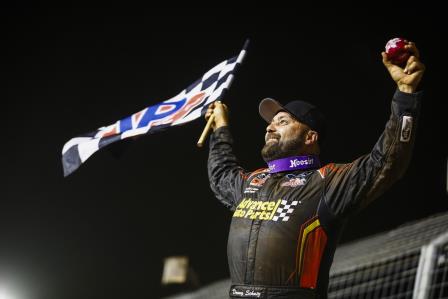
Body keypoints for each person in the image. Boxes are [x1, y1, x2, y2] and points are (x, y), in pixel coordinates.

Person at [205, 41, 425, 299]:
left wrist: (406, 95)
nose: (270, 128)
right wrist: (220, 128)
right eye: (270, 124)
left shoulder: (326, 181)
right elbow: (220, 173)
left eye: (282, 122)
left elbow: (387, 161)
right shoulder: (253, 182)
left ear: (310, 137)